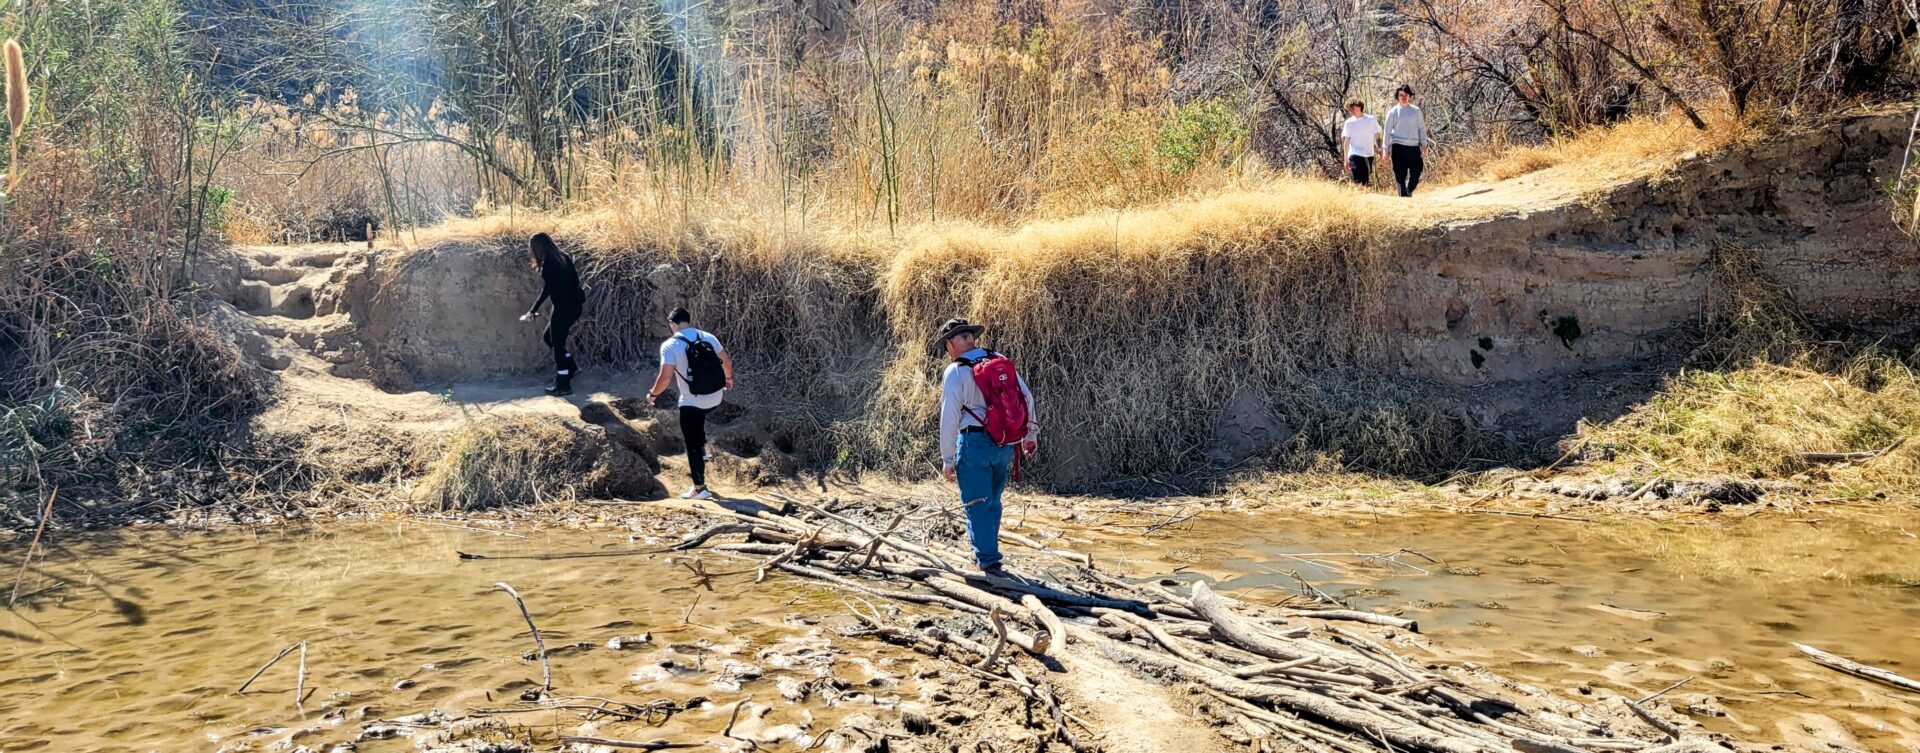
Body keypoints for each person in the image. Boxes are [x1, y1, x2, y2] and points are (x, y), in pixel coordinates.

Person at [935, 318, 1038, 574]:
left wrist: (947, 458)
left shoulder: (956, 371)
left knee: (976, 503)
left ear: (951, 344)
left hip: (974, 443)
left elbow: (949, 418)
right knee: (993, 501)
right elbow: (1025, 396)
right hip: (1005, 443)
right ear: (971, 338)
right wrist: (1031, 433)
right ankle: (988, 553)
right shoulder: (998, 358)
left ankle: (988, 562)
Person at [646, 307, 733, 500]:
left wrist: (653, 395)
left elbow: (665, 377)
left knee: (691, 442)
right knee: (698, 425)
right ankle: (702, 447)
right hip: (716, 396)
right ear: (688, 320)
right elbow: (726, 360)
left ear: (672, 323)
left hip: (692, 401)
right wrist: (728, 379)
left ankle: (699, 489)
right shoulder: (707, 336)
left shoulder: (670, 345)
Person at [520, 232, 585, 396]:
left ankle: (564, 385)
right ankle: (571, 366)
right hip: (574, 306)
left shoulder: (549, 264)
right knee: (550, 338)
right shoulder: (564, 257)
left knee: (557, 346)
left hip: (563, 308)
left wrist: (533, 310)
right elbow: (575, 281)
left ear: (538, 248)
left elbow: (546, 290)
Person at [1382, 84, 1430, 197]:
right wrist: (1385, 150)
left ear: (1410, 96)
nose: (1403, 97)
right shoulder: (1392, 112)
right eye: (1401, 95)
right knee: (1400, 175)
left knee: (1417, 171)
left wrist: (1424, 145)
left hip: (1413, 147)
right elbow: (1387, 132)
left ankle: (1409, 190)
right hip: (1398, 147)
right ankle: (1403, 198)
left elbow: (1422, 129)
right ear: (1397, 97)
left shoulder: (1416, 111)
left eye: (1406, 95)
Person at [1340, 97, 1382, 186]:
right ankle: (1358, 193)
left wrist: (1380, 148)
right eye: (1349, 109)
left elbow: (1377, 136)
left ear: (1359, 106)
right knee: (1357, 178)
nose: (1351, 111)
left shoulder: (1371, 119)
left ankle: (1364, 196)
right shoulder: (1349, 123)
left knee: (1364, 180)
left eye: (1353, 108)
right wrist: (1345, 159)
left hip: (1368, 154)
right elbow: (1346, 142)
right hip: (1354, 153)